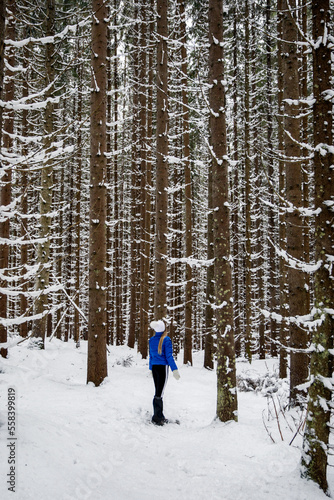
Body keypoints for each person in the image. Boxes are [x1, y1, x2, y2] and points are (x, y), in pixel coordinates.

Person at [149, 320, 180, 425]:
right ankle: (157, 417)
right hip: (162, 368)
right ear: (163, 329)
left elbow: (151, 356)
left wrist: (150, 368)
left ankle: (159, 415)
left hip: (154, 367)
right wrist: (174, 369)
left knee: (158, 391)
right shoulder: (166, 339)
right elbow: (169, 356)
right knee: (159, 393)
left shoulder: (152, 340)